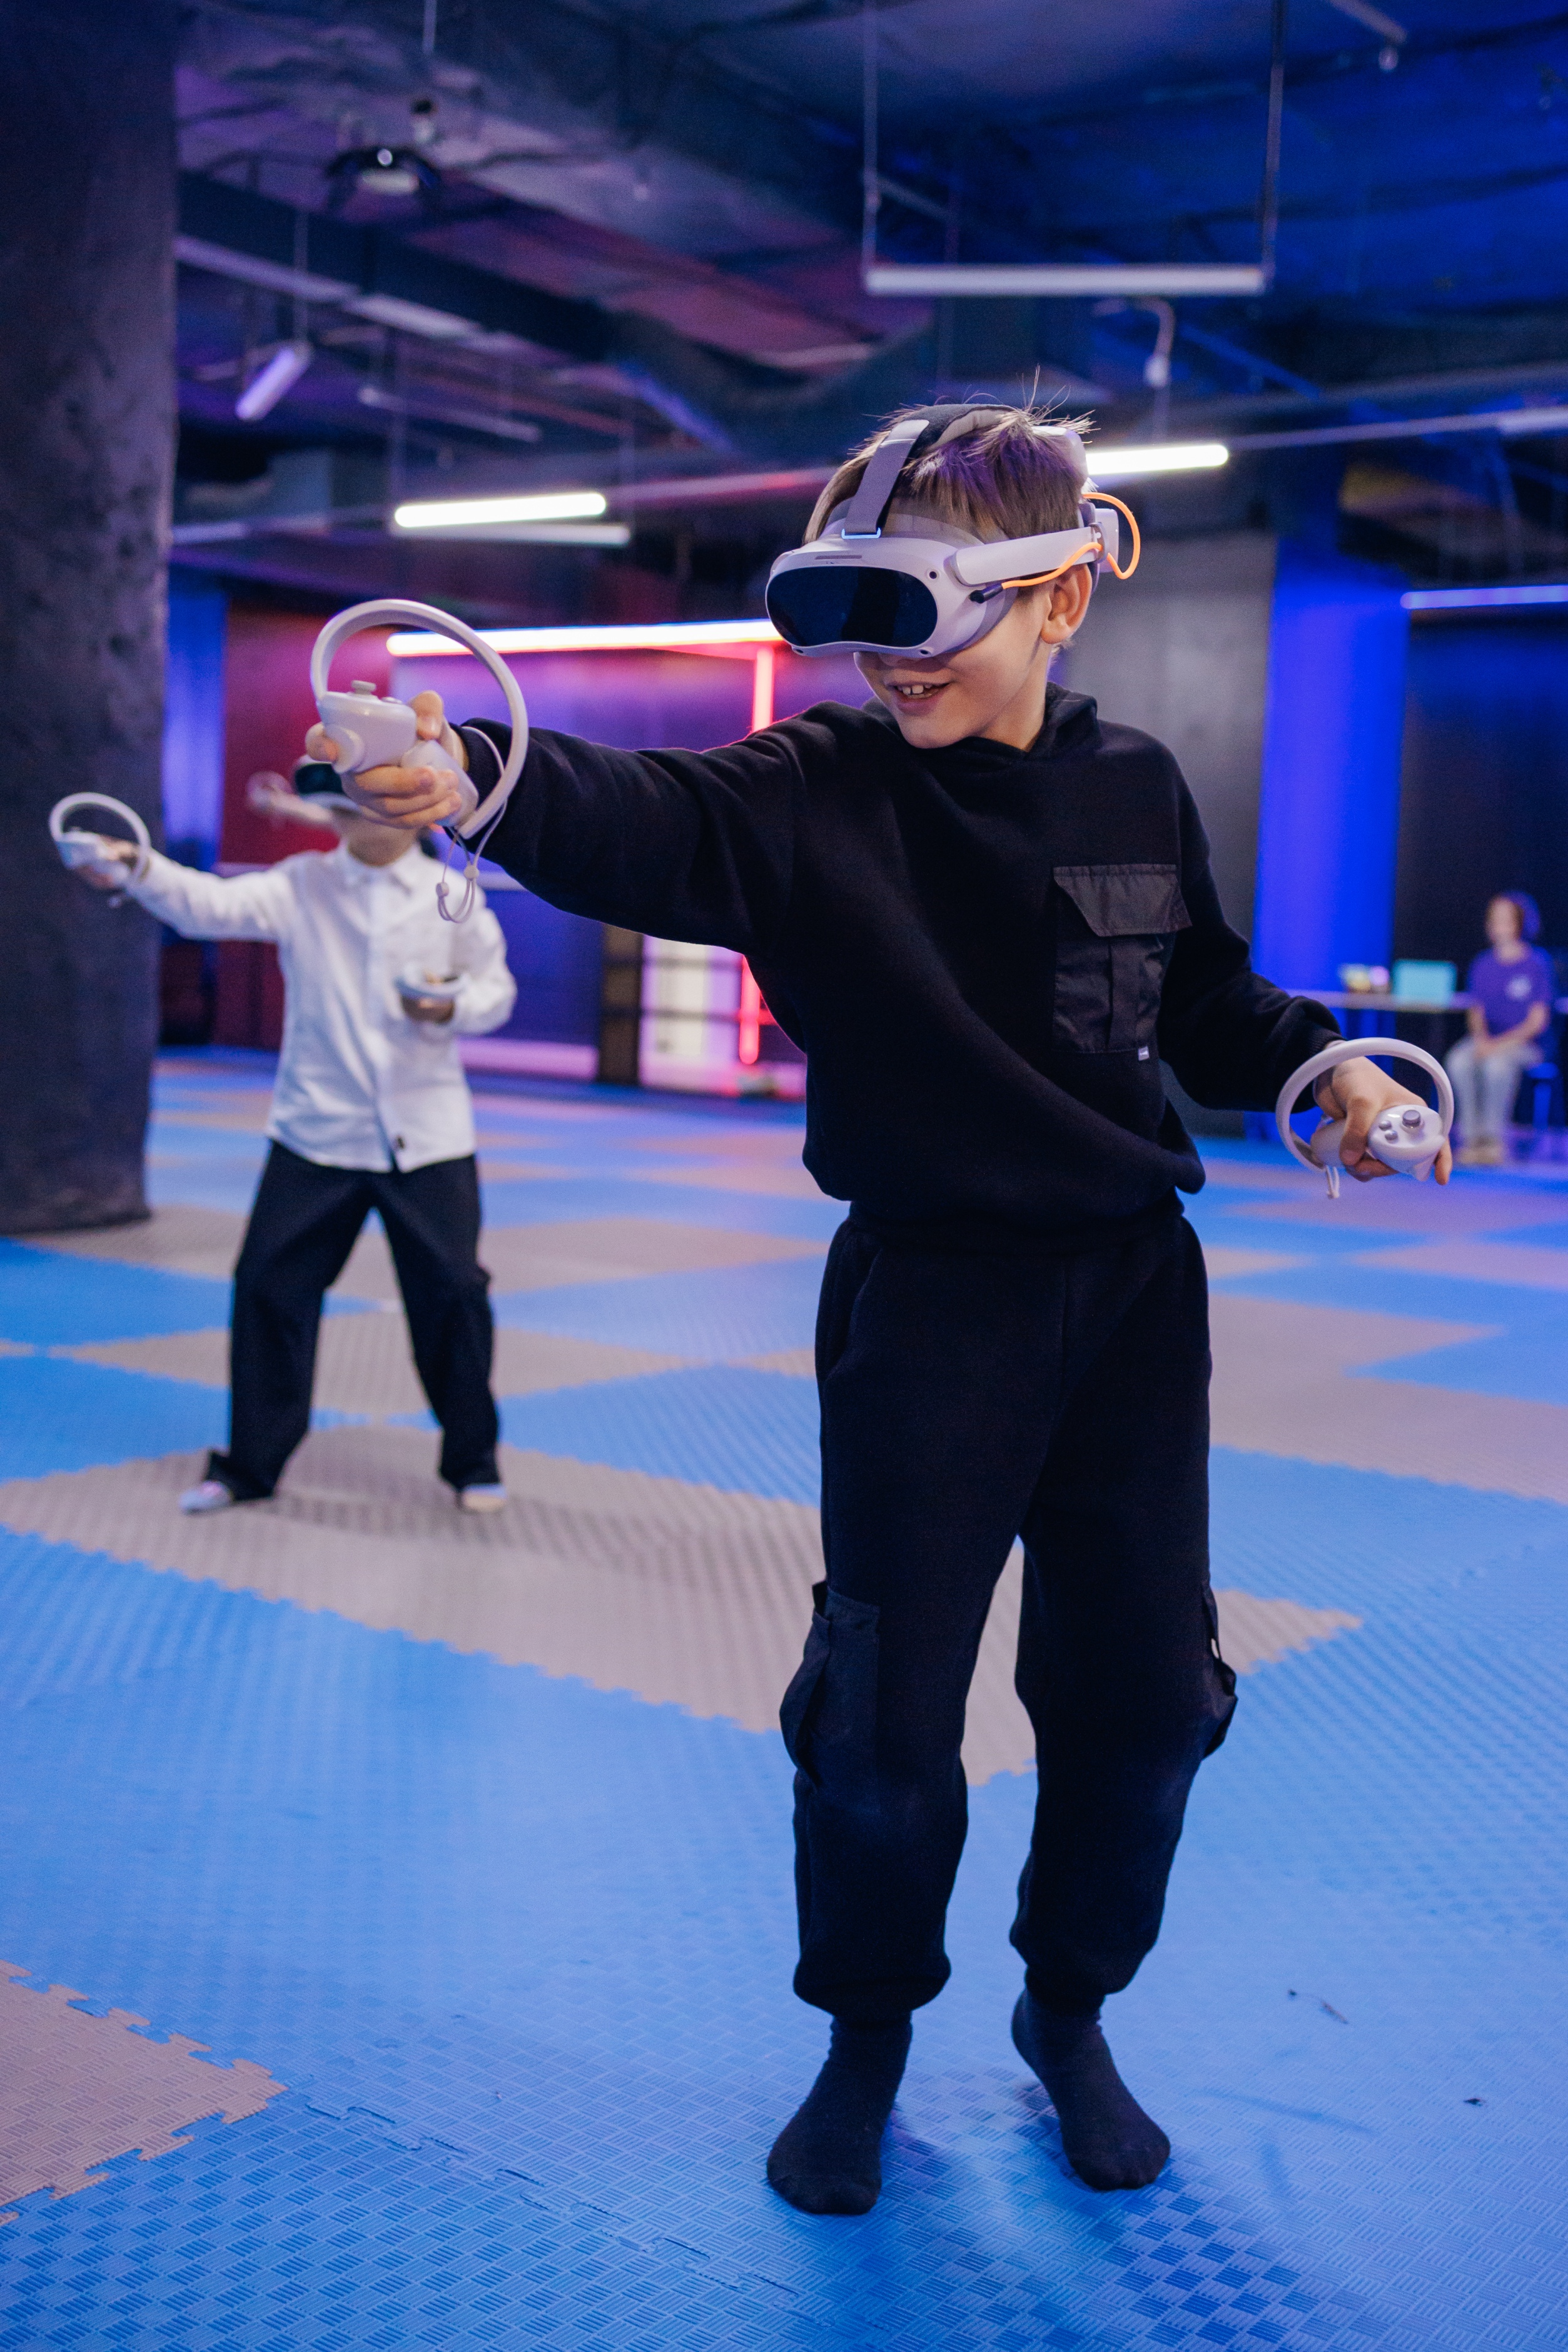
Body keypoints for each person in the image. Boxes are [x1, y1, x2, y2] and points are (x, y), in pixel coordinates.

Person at [313, 404, 1449, 2213]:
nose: (881, 661)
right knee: (878, 1719)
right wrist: (472, 777)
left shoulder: (1136, 783)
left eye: (915, 615)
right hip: (928, 1308)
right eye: (846, 617)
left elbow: (1206, 1004)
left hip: (1132, 1304)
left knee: (1147, 1700)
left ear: (1059, 596)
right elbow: (646, 815)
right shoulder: (817, 786)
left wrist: (1333, 1074)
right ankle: (863, 2034)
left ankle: (1068, 2011)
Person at [73, 765, 517, 1515]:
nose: (349, 818)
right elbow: (207, 905)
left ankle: (473, 1462)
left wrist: (452, 1008)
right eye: (342, 807)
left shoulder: (453, 895)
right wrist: (137, 865)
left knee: (452, 1295)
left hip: (428, 1136)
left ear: (412, 815)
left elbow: (496, 991)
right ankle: (250, 1466)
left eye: (367, 806)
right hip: (315, 1131)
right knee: (268, 1290)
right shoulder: (302, 885)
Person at [1446, 891, 1555, 1167]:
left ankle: (1494, 1141)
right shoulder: (1483, 963)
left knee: (1496, 1066)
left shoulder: (1537, 964)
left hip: (1525, 1045)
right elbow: (1476, 1013)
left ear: (1521, 922)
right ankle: (1471, 1140)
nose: (1499, 925)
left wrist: (1497, 1046)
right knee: (1459, 1060)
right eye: (1495, 919)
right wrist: (1482, 1040)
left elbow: (1537, 1022)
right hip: (1487, 1040)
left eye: (1506, 919)